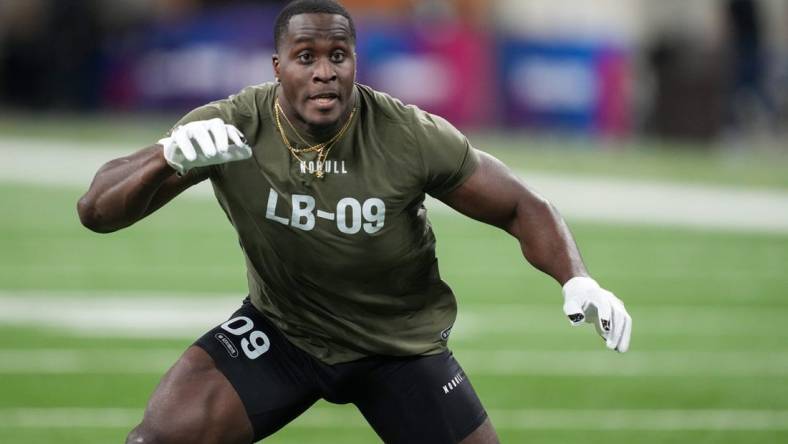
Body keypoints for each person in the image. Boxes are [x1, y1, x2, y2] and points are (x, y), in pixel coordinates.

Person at [78, 1, 632, 443]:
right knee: (160, 438)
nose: (324, 72)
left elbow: (520, 205)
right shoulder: (232, 125)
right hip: (283, 332)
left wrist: (577, 278)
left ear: (355, 63)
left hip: (397, 345)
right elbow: (95, 212)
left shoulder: (407, 134)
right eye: (305, 57)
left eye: (338, 56)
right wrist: (165, 157)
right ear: (278, 68)